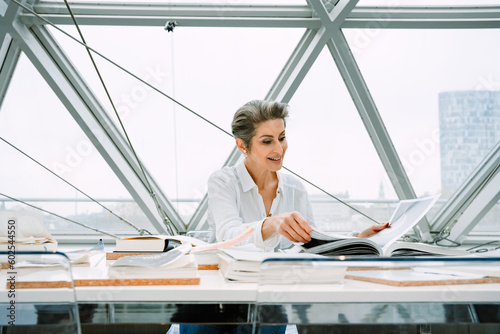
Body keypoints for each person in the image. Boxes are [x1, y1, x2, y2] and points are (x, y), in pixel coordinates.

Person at [178, 100, 389, 334]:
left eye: (282, 137)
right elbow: (228, 234)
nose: (279, 149)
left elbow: (311, 243)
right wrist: (271, 224)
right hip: (219, 297)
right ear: (242, 146)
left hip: (268, 298)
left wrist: (357, 239)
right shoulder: (223, 181)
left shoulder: (295, 189)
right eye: (267, 141)